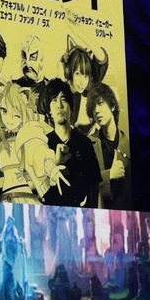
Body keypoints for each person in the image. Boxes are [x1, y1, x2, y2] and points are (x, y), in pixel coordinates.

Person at [41, 78, 101, 208]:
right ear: (49, 110)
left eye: (63, 99)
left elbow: (94, 186)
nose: (59, 105)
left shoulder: (84, 143)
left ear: (71, 107)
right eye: (54, 100)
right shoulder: (43, 144)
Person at [87, 81, 132, 209]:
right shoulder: (89, 144)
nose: (96, 110)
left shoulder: (127, 144)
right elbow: (85, 183)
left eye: (100, 103)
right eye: (93, 107)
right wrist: (110, 174)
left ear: (112, 106)